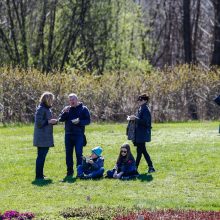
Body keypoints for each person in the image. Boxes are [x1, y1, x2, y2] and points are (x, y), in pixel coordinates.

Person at [58, 93, 91, 178]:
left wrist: (79, 122)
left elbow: (88, 121)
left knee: (79, 154)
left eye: (73, 99)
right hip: (68, 134)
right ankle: (69, 172)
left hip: (79, 135)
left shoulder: (84, 109)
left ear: (77, 100)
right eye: (70, 100)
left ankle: (79, 172)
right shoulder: (67, 109)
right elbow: (61, 119)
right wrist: (64, 112)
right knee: (68, 154)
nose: (71, 101)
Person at [127, 94, 155, 173]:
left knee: (142, 151)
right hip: (139, 134)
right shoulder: (141, 108)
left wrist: (135, 118)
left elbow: (145, 122)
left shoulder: (145, 109)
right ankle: (139, 167)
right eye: (139, 99)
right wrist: (133, 118)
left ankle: (148, 167)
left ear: (145, 100)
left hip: (142, 134)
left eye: (141, 99)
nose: (139, 101)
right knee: (140, 151)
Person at [33, 92, 58, 180]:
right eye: (51, 99)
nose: (52, 101)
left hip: (46, 137)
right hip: (42, 137)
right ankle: (38, 176)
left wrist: (53, 122)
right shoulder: (41, 109)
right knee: (41, 156)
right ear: (47, 99)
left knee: (42, 156)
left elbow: (47, 121)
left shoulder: (47, 109)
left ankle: (40, 174)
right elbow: (39, 123)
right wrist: (49, 121)